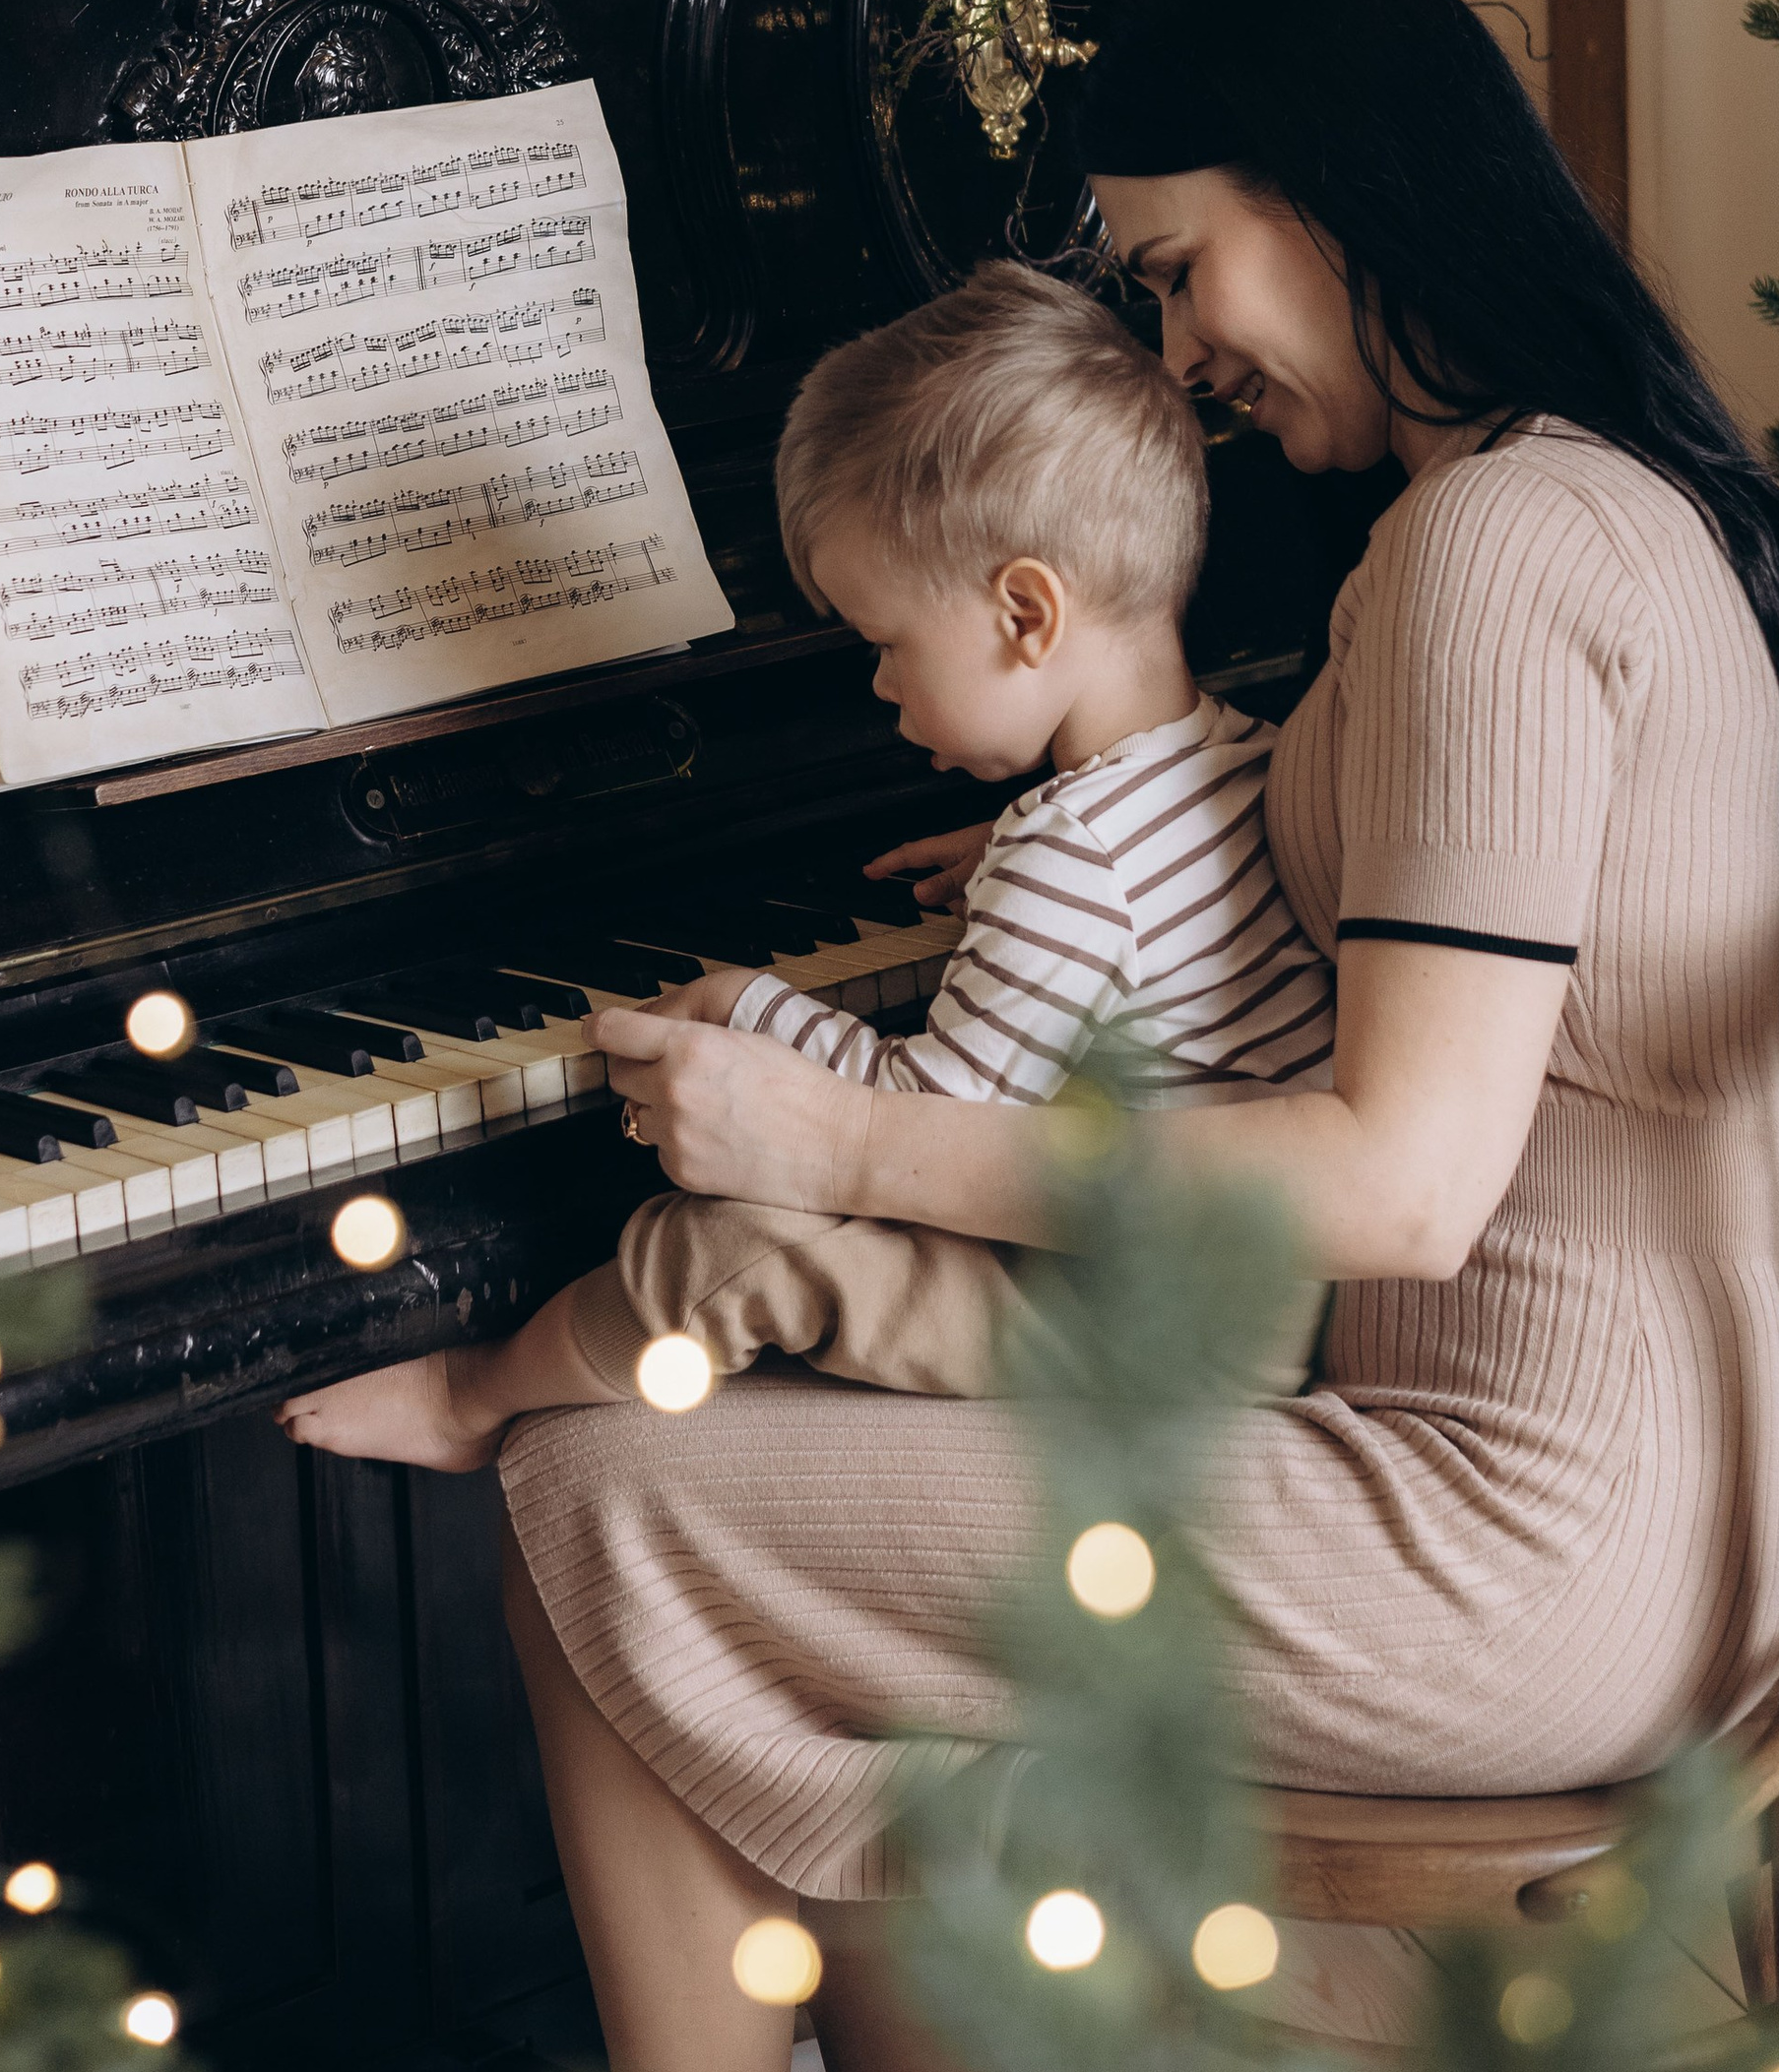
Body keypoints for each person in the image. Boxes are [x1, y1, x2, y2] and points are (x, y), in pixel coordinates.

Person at [496, 0, 1779, 2072]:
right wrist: (1089, 830)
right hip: (1645, 1499)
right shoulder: (1566, 500)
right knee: (748, 1443)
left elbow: (1402, 1183)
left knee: (590, 1489)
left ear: (1329, 188)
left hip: (1517, 1551)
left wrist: (840, 1126)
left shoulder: (1485, 547)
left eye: (1172, 269)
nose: (1178, 354)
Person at [276, 262, 1333, 1474]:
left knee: (721, 1244)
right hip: (1266, 1297)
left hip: (1134, 1330)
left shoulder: (1069, 865)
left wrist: (753, 1008)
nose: (876, 685)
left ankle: (475, 1395)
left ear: (1026, 616)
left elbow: (930, 1135)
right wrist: (1018, 855)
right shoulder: (1233, 756)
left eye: (885, 642)